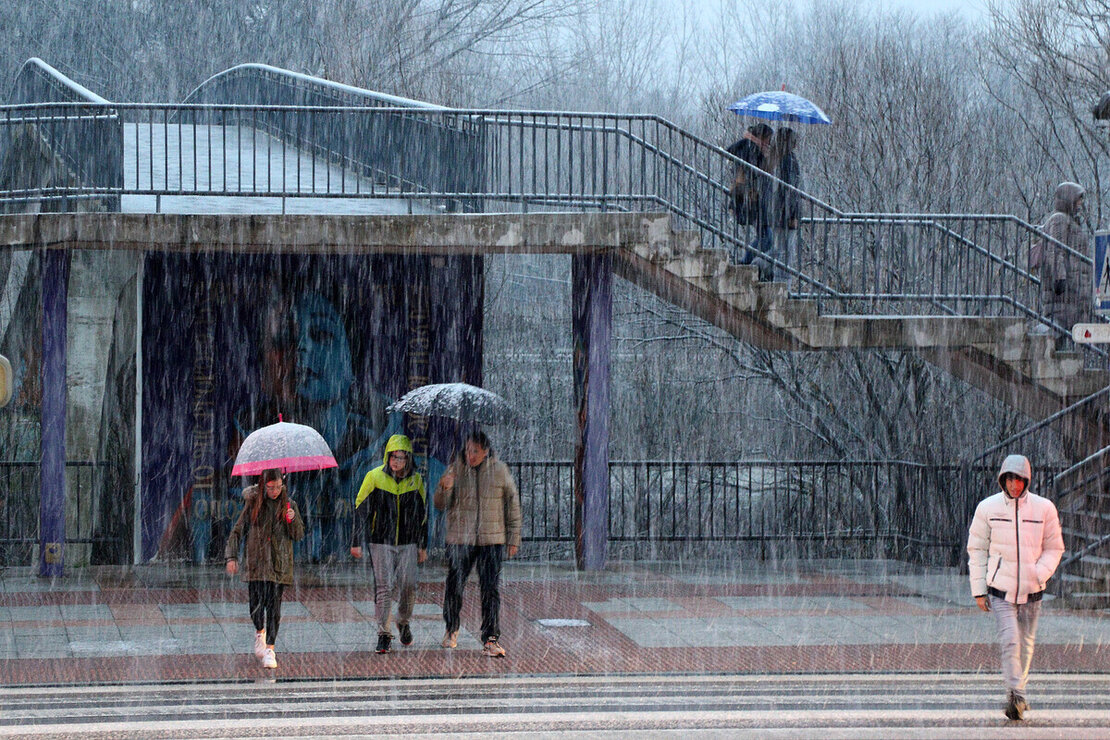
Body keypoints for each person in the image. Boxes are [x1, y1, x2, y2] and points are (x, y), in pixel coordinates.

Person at [966, 454, 1064, 721]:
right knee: (1010, 641)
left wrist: (1038, 572)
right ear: (1003, 479)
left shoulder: (1044, 509)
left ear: (1027, 480)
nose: (1014, 485)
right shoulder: (988, 508)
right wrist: (979, 590)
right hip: (1001, 589)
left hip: (1033, 591)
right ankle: (1016, 695)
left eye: (1019, 480)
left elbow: (1055, 547)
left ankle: (1017, 691)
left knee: (1026, 645)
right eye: (1010, 479)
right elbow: (977, 549)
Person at [435, 430, 521, 657]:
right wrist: (444, 487)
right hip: (460, 538)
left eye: (475, 451)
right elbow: (440, 504)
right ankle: (451, 628)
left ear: (485, 451)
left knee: (490, 589)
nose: (470, 455)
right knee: (454, 585)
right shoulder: (455, 470)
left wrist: (513, 537)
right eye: (467, 450)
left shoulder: (499, 471)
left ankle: (491, 638)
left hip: (491, 539)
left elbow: (513, 505)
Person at [350, 434, 427, 654]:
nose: (396, 461)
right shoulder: (374, 477)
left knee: (409, 585)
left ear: (408, 459)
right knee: (384, 588)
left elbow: (423, 515)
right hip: (381, 541)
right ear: (387, 456)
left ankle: (403, 621)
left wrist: (422, 545)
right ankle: (383, 634)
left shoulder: (416, 480)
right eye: (393, 457)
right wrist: (356, 541)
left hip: (408, 542)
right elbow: (361, 510)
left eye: (401, 458)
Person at [225, 468, 305, 669]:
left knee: (274, 607)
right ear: (263, 486)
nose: (275, 491)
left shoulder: (289, 504)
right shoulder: (253, 503)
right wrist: (231, 557)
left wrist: (292, 519)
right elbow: (237, 531)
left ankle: (270, 648)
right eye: (271, 487)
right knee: (255, 607)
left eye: (278, 486)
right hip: (256, 564)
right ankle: (259, 632)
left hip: (279, 565)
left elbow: (299, 535)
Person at [1034, 182, 1089, 350]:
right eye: (1078, 199)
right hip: (1064, 291)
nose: (1080, 204)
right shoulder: (1059, 219)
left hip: (1072, 292)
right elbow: (1055, 250)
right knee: (1057, 327)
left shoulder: (1070, 221)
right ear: (1068, 198)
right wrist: (1060, 277)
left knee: (1064, 330)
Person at [726, 122, 774, 268]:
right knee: (766, 237)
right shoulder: (751, 148)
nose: (769, 143)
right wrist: (765, 158)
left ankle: (746, 261)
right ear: (761, 137)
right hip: (750, 197)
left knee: (765, 236)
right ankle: (745, 262)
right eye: (768, 139)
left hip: (747, 197)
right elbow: (754, 172)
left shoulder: (747, 146)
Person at [767, 127, 803, 285]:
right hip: (785, 212)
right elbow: (790, 189)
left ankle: (764, 268)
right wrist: (793, 214)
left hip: (778, 210)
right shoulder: (788, 160)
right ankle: (782, 285)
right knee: (785, 252)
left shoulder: (777, 159)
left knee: (779, 249)